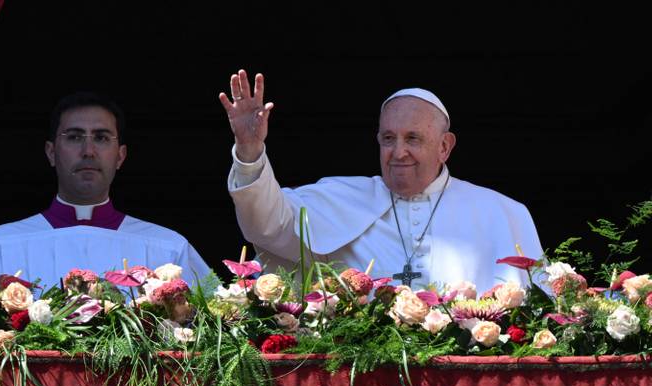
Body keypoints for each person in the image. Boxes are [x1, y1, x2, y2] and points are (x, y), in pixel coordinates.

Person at [220, 69, 543, 293]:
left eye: (413, 138)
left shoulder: (500, 211)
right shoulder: (340, 197)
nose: (398, 152)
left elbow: (540, 310)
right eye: (388, 138)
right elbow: (267, 224)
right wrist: (250, 151)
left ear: (444, 146)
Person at [0, 92, 210, 290]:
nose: (88, 151)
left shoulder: (169, 248)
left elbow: (222, 324)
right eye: (74, 137)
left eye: (102, 138)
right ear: (51, 152)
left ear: (120, 156)